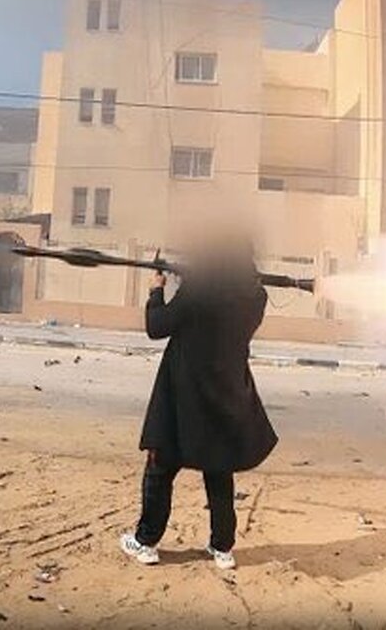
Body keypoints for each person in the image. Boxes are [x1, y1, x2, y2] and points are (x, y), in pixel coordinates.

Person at [119, 241, 278, 570]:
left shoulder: (199, 290)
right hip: (225, 393)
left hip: (183, 393)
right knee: (218, 469)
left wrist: (156, 291)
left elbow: (157, 326)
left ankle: (146, 542)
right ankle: (222, 549)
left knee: (160, 467)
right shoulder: (255, 298)